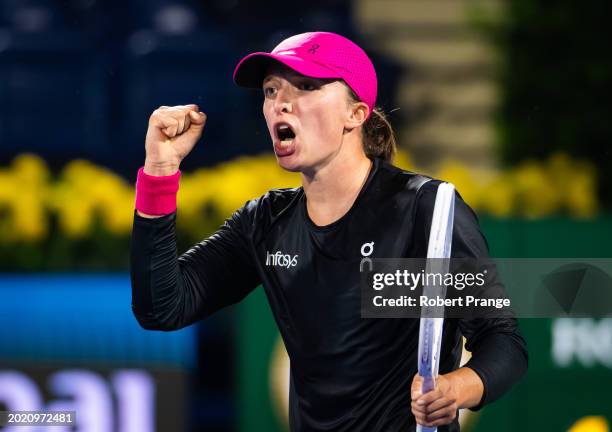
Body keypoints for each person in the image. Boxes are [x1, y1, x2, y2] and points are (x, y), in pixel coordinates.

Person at [130, 31, 527, 431]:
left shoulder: (427, 208)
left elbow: (503, 341)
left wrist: (456, 388)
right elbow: (162, 307)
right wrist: (159, 172)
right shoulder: (266, 222)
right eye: (271, 90)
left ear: (355, 114)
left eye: (306, 87)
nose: (281, 102)